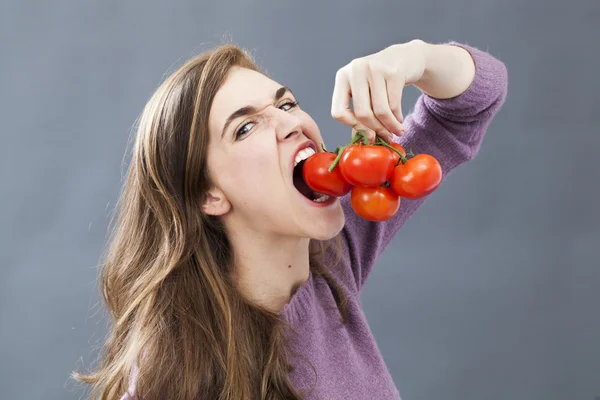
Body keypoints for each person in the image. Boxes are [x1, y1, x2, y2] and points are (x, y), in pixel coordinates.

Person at [73, 38, 508, 399]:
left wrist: (414, 57)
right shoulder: (170, 375)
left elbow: (467, 108)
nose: (289, 123)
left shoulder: (332, 263)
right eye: (245, 128)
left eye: (286, 104)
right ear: (208, 194)